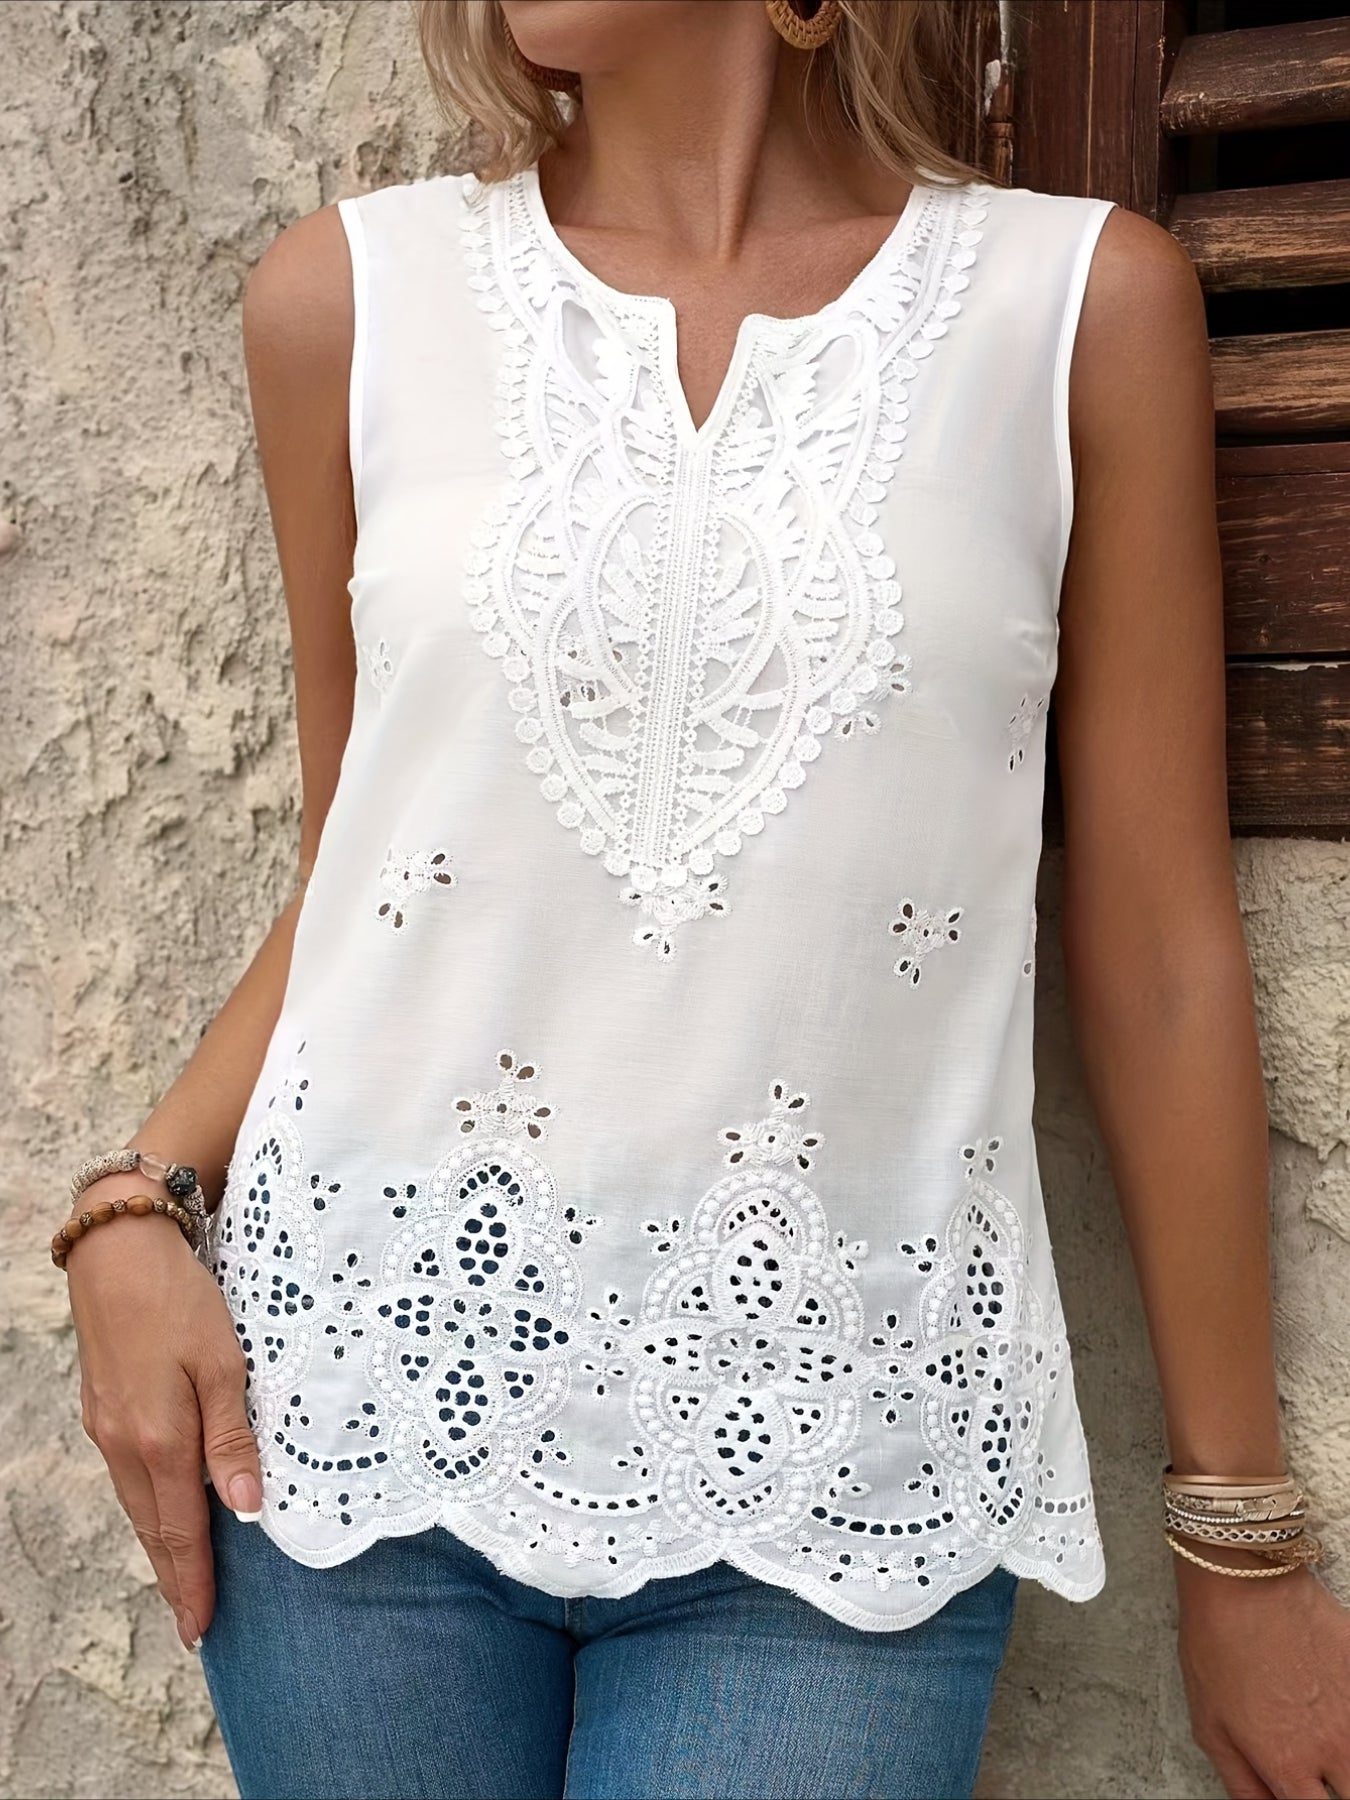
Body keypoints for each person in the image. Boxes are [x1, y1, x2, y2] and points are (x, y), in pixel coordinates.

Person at [53, 2, 1350, 1797]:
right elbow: (369, 866)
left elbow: (1158, 955)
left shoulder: (1074, 308)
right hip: (355, 1401)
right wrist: (135, 1207)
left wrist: (1239, 1536)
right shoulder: (344, 300)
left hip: (845, 1434)